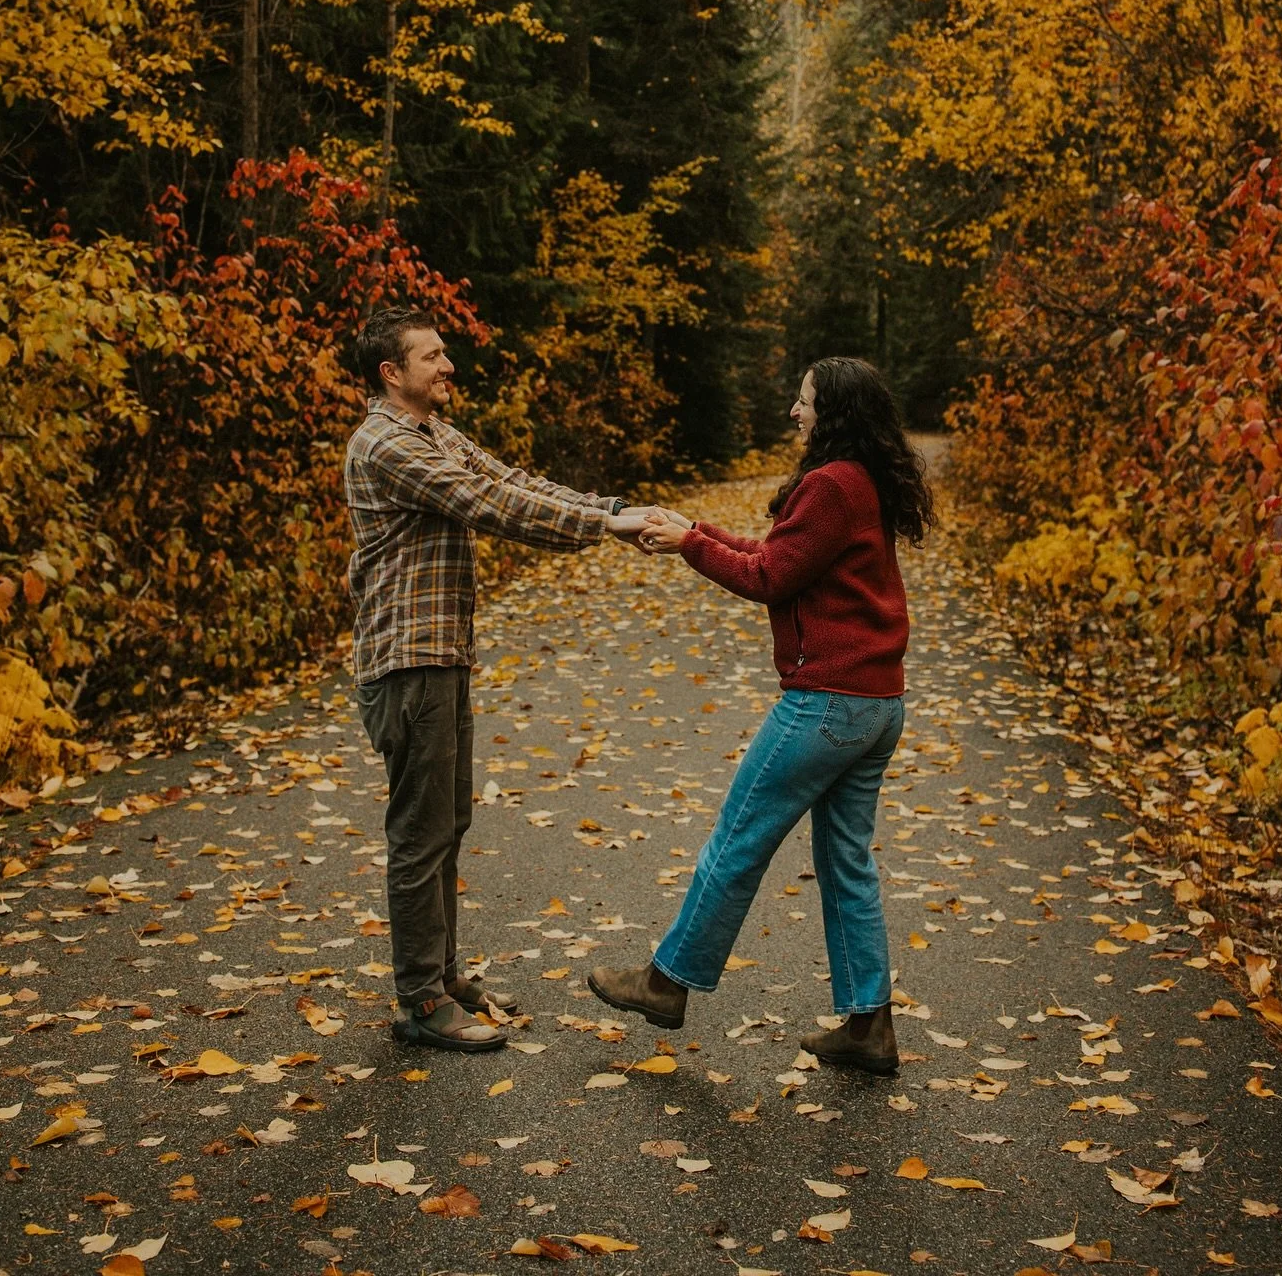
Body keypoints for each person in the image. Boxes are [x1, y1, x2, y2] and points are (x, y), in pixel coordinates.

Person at [589, 356, 933, 1076]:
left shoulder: (832, 484)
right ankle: (868, 1025)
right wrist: (697, 531)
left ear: (830, 410)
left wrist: (691, 547)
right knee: (846, 867)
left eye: (802, 400)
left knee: (737, 840)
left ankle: (666, 983)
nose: (792, 411)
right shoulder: (857, 479)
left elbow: (767, 577)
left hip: (829, 704)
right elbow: (785, 555)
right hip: (875, 706)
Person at [345, 307, 655, 1054]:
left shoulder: (434, 433)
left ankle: (443, 978)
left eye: (445, 353)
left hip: (443, 657)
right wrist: (602, 530)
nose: (448, 366)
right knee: (420, 837)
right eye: (432, 356)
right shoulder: (384, 445)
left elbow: (508, 476)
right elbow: (489, 504)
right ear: (392, 373)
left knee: (448, 824)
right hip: (407, 662)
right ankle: (419, 1000)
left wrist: (607, 507)